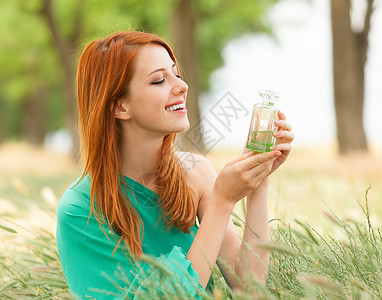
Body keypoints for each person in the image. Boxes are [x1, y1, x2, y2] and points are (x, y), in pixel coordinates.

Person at [56, 30, 294, 299]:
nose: (182, 86)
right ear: (119, 107)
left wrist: (258, 176)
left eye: (176, 74)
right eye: (159, 80)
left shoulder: (196, 173)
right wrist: (222, 202)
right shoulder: (80, 210)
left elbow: (251, 287)